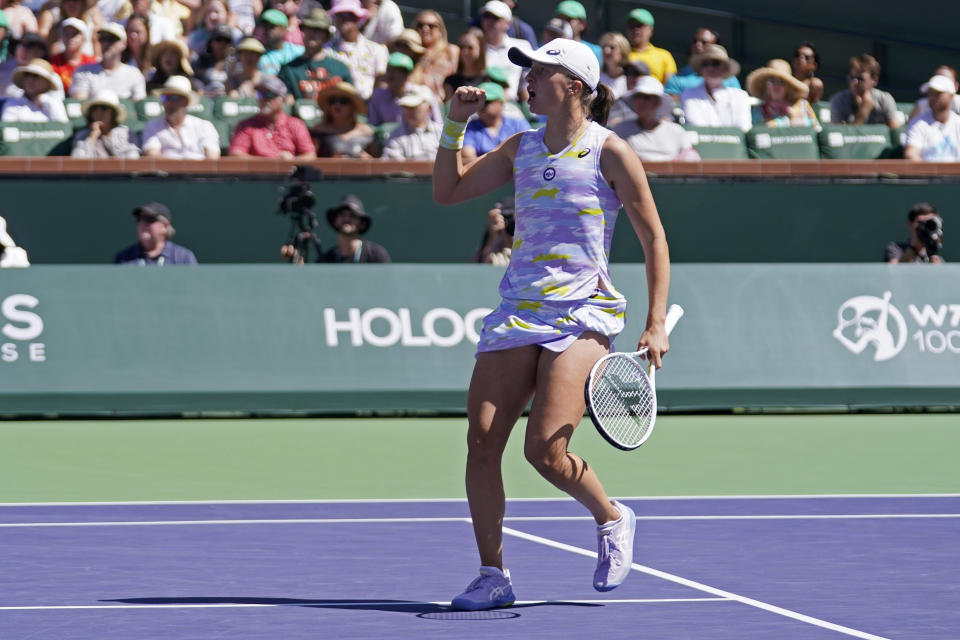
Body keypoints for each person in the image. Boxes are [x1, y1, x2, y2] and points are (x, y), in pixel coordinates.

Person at [433, 38, 671, 610]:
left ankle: (611, 517)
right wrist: (453, 124)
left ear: (575, 85)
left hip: (584, 313)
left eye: (542, 70)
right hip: (519, 310)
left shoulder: (609, 152)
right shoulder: (520, 148)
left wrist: (655, 320)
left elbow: (654, 238)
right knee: (482, 442)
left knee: (543, 451)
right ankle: (493, 576)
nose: (529, 79)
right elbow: (449, 190)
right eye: (529, 70)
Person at [612, 76, 698, 161]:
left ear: (657, 102)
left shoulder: (677, 131)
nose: (641, 102)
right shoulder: (620, 131)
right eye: (638, 97)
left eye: (646, 97)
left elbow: (691, 159)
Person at [228, 75, 315, 158]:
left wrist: (291, 162)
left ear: (282, 100)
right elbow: (236, 155)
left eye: (269, 95)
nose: (263, 99)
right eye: (260, 94)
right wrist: (273, 162)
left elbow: (310, 155)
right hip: (256, 173)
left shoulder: (295, 124)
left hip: (289, 172)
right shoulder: (246, 125)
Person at [276, 7, 351, 103]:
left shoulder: (340, 69)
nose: (312, 33)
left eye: (318, 29)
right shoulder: (289, 69)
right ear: (302, 32)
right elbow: (286, 103)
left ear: (327, 36)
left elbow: (350, 102)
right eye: (309, 28)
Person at [141, 74, 220, 158]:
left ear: (186, 102)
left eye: (174, 98)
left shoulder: (204, 126)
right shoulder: (152, 126)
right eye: (165, 97)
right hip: (165, 171)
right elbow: (153, 156)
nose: (168, 103)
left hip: (200, 170)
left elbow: (212, 158)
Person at [679, 44, 750, 131]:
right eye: (705, 64)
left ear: (726, 68)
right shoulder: (688, 94)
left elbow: (743, 128)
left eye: (716, 63)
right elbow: (695, 126)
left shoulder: (740, 96)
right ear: (701, 69)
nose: (710, 68)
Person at [327, 0, 386, 100]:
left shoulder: (377, 50)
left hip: (369, 106)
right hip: (338, 104)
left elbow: (382, 84)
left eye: (347, 14)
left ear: (357, 17)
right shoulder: (327, 51)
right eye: (338, 15)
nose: (343, 19)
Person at [70, 22, 146, 99]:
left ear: (124, 44)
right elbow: (79, 104)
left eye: (112, 39)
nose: (106, 43)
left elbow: (139, 105)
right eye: (102, 39)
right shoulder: (83, 71)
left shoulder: (134, 74)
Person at [309, 194, 390, 262]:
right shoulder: (325, 260)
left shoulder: (376, 255)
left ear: (362, 224)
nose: (346, 219)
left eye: (353, 215)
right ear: (335, 221)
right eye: (342, 214)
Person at [664, 27, 741, 99]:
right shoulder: (678, 78)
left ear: (716, 46)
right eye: (694, 41)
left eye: (704, 42)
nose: (698, 45)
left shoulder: (731, 80)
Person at [461, 81, 527, 162]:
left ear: (501, 103)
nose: (481, 105)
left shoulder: (517, 124)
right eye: (477, 101)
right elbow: (468, 158)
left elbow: (531, 149)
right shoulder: (471, 128)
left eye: (486, 102)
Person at [115, 202, 198, 265]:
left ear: (165, 226)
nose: (142, 223)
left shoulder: (183, 257)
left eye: (149, 219)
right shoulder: (123, 258)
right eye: (139, 219)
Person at [746, 58, 819, 129]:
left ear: (789, 87)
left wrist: (794, 117)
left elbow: (816, 129)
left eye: (781, 82)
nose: (776, 86)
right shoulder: (759, 110)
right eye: (772, 81)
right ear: (766, 86)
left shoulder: (803, 106)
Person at [828, 54, 898, 128]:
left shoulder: (885, 99)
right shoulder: (838, 100)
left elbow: (894, 131)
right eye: (851, 77)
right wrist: (862, 112)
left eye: (860, 79)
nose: (854, 82)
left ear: (874, 80)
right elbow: (840, 136)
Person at [479, 0, 529, 102]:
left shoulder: (522, 46)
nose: (489, 21)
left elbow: (527, 82)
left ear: (508, 23)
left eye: (495, 18)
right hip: (480, 105)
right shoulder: (476, 48)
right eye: (486, 16)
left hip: (511, 106)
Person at [311, 80, 376, 157]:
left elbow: (377, 161)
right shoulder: (319, 131)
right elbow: (313, 160)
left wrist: (366, 159)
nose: (337, 105)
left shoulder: (366, 131)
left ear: (352, 107)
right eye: (333, 101)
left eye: (343, 101)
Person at [904, 74, 960, 162]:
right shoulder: (917, 123)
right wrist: (928, 172)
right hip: (925, 175)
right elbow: (911, 154)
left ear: (951, 95)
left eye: (938, 93)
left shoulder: (958, 123)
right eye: (930, 94)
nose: (933, 97)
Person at [70, 88, 140, 156]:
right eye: (94, 108)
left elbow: (132, 158)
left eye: (104, 108)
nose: (98, 112)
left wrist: (111, 140)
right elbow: (78, 161)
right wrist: (92, 137)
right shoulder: (82, 135)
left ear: (113, 113)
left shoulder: (126, 133)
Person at [380, 83, 441, 160]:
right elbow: (392, 167)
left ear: (429, 108)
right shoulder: (395, 136)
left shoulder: (441, 132)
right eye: (406, 106)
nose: (408, 111)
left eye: (413, 106)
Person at [409, 10, 458, 103]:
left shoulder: (450, 51)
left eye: (431, 26)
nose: (425, 28)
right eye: (420, 25)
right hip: (415, 103)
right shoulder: (410, 52)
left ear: (440, 30)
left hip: (443, 105)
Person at [1, 57, 68, 121]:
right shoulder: (13, 104)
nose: (30, 80)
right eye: (27, 75)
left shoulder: (54, 104)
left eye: (35, 76)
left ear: (46, 82)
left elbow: (63, 129)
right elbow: (7, 130)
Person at [623, 7, 675, 85]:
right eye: (632, 25)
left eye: (639, 25)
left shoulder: (664, 55)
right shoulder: (620, 54)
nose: (635, 29)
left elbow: (670, 88)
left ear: (651, 30)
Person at [49, 17, 97, 92]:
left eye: (74, 34)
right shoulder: (53, 63)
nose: (70, 38)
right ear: (62, 37)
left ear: (84, 38)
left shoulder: (92, 62)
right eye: (67, 34)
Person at [255, 8, 303, 76]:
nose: (267, 30)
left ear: (284, 29)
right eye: (265, 26)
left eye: (271, 27)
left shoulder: (298, 51)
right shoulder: (257, 54)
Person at [443, 27, 485, 101]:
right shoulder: (450, 81)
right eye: (462, 47)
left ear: (480, 49)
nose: (465, 52)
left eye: (470, 47)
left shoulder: (489, 79)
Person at [472, 196, 514, 265]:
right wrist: (492, 235)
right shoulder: (493, 240)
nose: (508, 221)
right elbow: (477, 267)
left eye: (510, 217)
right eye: (504, 216)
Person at [598, 31, 629, 98]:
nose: (606, 51)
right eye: (604, 47)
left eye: (612, 47)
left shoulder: (630, 78)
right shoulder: (597, 76)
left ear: (623, 52)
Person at [791, 41, 822, 105]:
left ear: (814, 65)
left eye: (807, 58)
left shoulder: (814, 84)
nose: (801, 58)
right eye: (797, 55)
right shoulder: (784, 81)